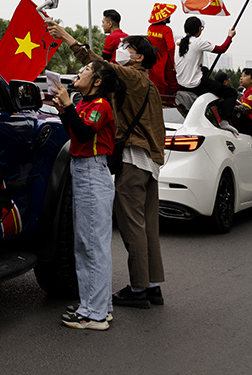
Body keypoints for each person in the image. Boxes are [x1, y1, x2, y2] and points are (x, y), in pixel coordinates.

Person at [51, 59, 117, 331]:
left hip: (92, 171)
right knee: (88, 243)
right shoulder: (84, 103)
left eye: (86, 70)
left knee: (91, 244)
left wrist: (67, 107)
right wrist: (65, 109)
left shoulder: (100, 105)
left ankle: (94, 314)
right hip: (85, 170)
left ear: (98, 82)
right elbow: (75, 132)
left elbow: (84, 131)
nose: (79, 71)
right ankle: (98, 305)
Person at [109, 36, 167, 310]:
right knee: (148, 226)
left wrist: (63, 35)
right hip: (150, 162)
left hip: (133, 159)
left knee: (132, 225)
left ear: (139, 57)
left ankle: (137, 288)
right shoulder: (151, 86)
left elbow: (97, 64)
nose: (122, 52)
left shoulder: (133, 77)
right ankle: (152, 285)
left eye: (127, 48)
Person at [173, 16, 235, 113]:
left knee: (205, 70)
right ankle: (224, 120)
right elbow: (222, 49)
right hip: (195, 84)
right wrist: (230, 36)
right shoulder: (199, 42)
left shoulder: (178, 42)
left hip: (181, 82)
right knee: (231, 93)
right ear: (199, 29)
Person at [144, 3, 177, 105]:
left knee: (155, 83)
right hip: (165, 61)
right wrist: (174, 62)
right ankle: (170, 103)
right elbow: (171, 47)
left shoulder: (150, 29)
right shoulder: (166, 30)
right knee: (172, 85)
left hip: (154, 61)